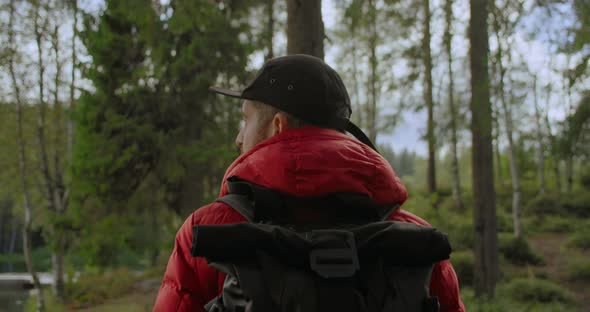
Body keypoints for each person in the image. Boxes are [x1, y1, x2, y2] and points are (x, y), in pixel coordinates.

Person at [153, 54, 465, 312]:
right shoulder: (416, 240)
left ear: (278, 127)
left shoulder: (208, 232)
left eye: (245, 120)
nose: (238, 138)